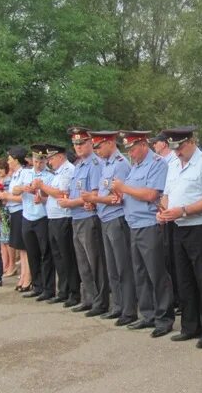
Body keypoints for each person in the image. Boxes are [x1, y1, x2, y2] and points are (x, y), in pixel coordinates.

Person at [159, 126, 202, 349]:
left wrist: (183, 210)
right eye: (174, 148)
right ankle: (190, 325)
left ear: (192, 141)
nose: (177, 152)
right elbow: (167, 194)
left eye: (181, 147)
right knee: (183, 278)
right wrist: (164, 209)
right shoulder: (174, 165)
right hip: (176, 226)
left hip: (200, 227)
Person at [111, 131, 175, 337]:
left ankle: (164, 319)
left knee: (156, 273)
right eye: (128, 149)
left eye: (132, 148)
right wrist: (121, 196)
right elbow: (132, 192)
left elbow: (151, 194)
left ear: (142, 145)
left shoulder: (157, 164)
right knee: (140, 273)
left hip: (149, 224)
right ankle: (148, 315)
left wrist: (124, 188)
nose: (130, 153)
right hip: (134, 224)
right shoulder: (136, 166)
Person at [81, 131, 137, 323]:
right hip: (105, 218)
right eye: (95, 147)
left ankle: (129, 310)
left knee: (123, 267)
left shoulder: (120, 164)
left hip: (117, 219)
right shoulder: (105, 164)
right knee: (112, 267)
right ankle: (118, 306)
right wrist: (93, 202)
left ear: (110, 143)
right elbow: (103, 191)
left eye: (99, 146)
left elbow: (117, 198)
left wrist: (94, 199)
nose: (97, 150)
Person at [57, 126, 109, 316]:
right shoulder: (79, 165)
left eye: (82, 142)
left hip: (89, 218)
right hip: (77, 216)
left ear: (90, 143)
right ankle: (88, 298)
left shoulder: (95, 164)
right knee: (83, 262)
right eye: (75, 143)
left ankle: (100, 301)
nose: (78, 146)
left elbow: (94, 195)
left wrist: (70, 202)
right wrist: (69, 200)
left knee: (94, 262)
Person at [33, 144, 81, 307]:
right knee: (58, 257)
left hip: (63, 218)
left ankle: (74, 292)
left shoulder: (68, 170)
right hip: (53, 218)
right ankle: (63, 291)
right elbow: (54, 196)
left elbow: (62, 193)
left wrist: (42, 186)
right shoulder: (56, 173)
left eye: (51, 158)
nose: (49, 162)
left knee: (67, 257)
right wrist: (43, 197)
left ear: (60, 157)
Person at [15, 146, 55, 301]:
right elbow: (14, 190)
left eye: (42, 161)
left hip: (42, 217)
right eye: (36, 160)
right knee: (32, 254)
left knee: (46, 254)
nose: (39, 164)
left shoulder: (50, 176)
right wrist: (23, 188)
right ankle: (36, 286)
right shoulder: (25, 173)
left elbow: (51, 195)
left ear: (46, 161)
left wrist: (41, 195)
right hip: (27, 216)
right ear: (32, 160)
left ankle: (48, 288)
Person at [150, 131, 181, 311]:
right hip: (165, 213)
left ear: (164, 144)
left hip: (178, 215)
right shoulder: (165, 163)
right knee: (168, 259)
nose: (154, 146)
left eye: (156, 143)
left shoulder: (170, 162)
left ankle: (178, 299)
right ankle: (175, 298)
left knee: (175, 261)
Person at [0, 147, 32, 291]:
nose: (8, 162)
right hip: (14, 211)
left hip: (21, 211)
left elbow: (23, 197)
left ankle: (28, 277)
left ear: (16, 159)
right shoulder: (15, 174)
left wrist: (8, 197)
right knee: (21, 248)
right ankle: (24, 275)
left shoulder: (25, 173)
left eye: (10, 159)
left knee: (25, 247)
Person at [0, 158, 16, 277]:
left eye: (2, 169)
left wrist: (0, 195)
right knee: (2, 240)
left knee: (8, 239)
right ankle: (5, 264)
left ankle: (12, 264)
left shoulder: (9, 180)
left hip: (7, 209)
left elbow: (8, 194)